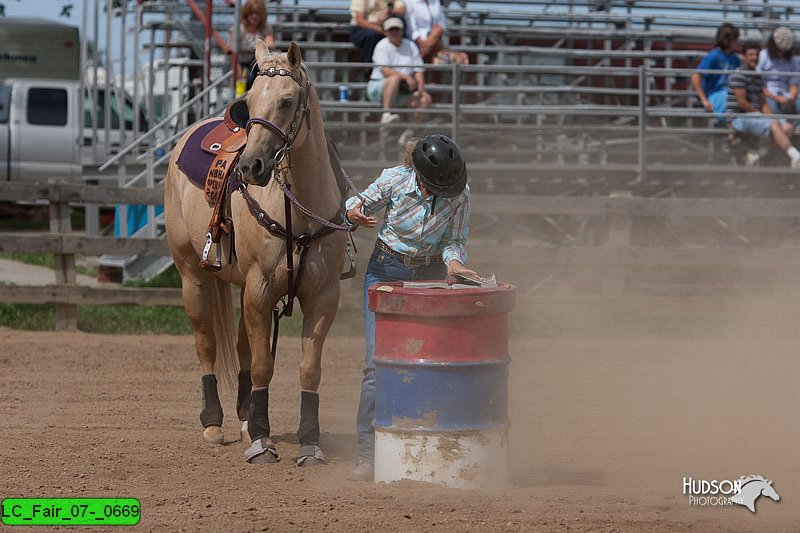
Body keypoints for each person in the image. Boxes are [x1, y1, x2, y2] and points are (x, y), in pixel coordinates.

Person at [344, 134, 477, 482]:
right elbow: (357, 203)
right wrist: (353, 213)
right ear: (418, 175)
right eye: (434, 187)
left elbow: (455, 240)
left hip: (432, 272)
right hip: (386, 269)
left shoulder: (460, 194)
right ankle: (367, 454)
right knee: (376, 365)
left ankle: (428, 442)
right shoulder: (394, 180)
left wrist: (454, 264)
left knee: (431, 361)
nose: (440, 194)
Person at [727, 42, 800, 168]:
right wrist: (764, 116)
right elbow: (742, 102)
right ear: (744, 56)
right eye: (750, 54)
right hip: (739, 117)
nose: (754, 57)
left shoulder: (757, 76)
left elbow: (763, 102)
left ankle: (758, 155)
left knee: (787, 126)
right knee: (774, 123)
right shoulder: (739, 74)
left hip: (754, 115)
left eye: (756, 55)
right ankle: (795, 155)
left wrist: (771, 116)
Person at [368, 17, 432, 146]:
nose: (394, 32)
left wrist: (421, 91)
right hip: (378, 88)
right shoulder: (382, 46)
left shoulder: (411, 46)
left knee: (425, 99)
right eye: (391, 30)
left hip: (401, 92)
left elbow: (419, 70)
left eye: (397, 29)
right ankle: (386, 115)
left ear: (402, 31)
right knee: (394, 79)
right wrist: (407, 78)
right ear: (386, 32)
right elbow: (385, 71)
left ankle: (410, 132)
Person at [691, 23, 741, 116]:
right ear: (728, 40)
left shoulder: (735, 59)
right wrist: (704, 100)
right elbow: (696, 76)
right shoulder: (714, 56)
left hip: (731, 95)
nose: (738, 42)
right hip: (715, 95)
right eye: (735, 39)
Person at [756, 26, 800, 122]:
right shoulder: (764, 55)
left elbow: (794, 84)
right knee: (772, 109)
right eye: (779, 49)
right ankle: (781, 130)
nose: (781, 53)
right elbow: (759, 84)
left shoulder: (792, 60)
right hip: (769, 94)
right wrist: (777, 98)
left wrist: (790, 98)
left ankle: (786, 130)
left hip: (786, 95)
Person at [230, 0, 275, 90]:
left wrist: (262, 46)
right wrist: (237, 68)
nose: (254, 16)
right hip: (239, 63)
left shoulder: (265, 28)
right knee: (247, 78)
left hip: (257, 63)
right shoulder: (238, 28)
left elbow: (270, 44)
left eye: (257, 14)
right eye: (251, 13)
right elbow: (231, 51)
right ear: (246, 14)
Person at [349, 0, 406, 66]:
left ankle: (401, 66)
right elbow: (359, 20)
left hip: (385, 27)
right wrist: (381, 30)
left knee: (399, 23)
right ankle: (368, 68)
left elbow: (402, 10)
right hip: (364, 29)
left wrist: (389, 11)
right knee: (372, 35)